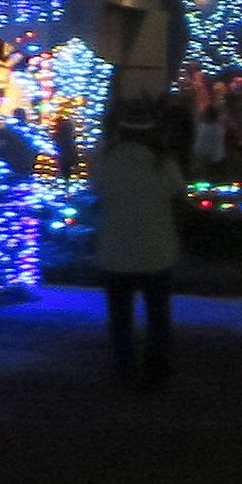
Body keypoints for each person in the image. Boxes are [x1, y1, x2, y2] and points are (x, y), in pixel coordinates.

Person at [87, 103, 191, 389]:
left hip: (116, 250)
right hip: (157, 250)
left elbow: (95, 193)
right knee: (158, 316)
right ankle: (156, 370)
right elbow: (178, 198)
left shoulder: (105, 159)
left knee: (120, 317)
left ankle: (124, 368)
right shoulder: (163, 162)